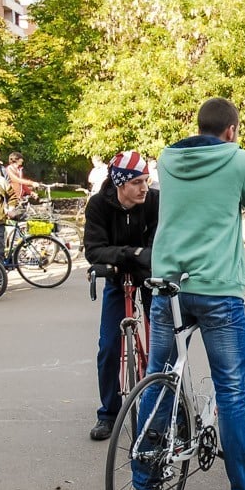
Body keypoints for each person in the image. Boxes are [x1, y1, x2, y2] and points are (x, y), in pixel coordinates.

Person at [135, 97, 245, 490]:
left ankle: (144, 484)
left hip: (168, 287)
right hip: (219, 289)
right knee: (232, 392)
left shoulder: (167, 159)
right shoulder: (240, 162)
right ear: (232, 130)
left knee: (158, 379)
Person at [83, 151, 159, 441]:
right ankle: (109, 413)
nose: (144, 188)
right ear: (120, 184)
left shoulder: (154, 202)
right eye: (137, 182)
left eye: (146, 181)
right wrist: (132, 253)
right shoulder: (99, 205)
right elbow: (93, 250)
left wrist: (132, 256)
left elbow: (159, 245)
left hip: (150, 275)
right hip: (116, 277)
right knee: (109, 346)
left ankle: (168, 410)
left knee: (162, 342)